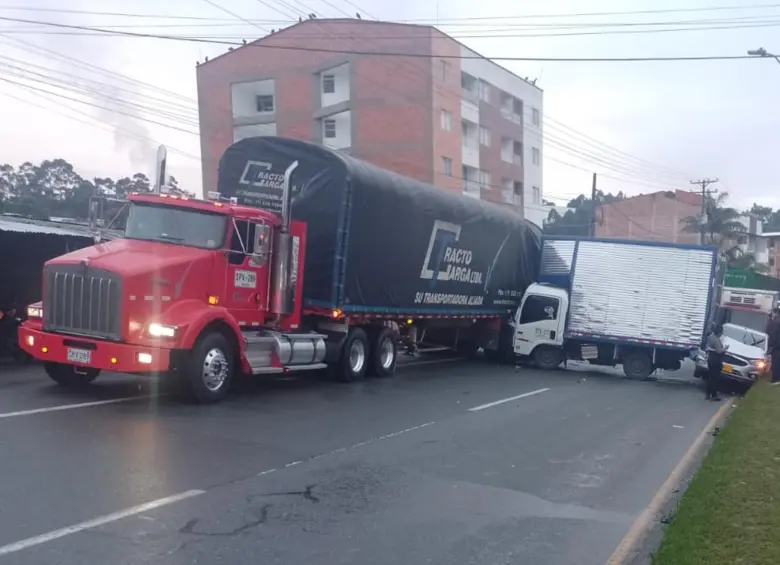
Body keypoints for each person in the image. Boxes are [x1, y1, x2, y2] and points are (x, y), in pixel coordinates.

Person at [705, 324, 728, 401]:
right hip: (716, 360)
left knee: (710, 377)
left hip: (710, 359)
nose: (722, 333)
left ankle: (708, 394)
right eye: (721, 332)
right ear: (719, 332)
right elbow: (719, 351)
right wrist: (725, 348)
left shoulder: (710, 337)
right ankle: (714, 395)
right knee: (715, 378)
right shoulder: (716, 339)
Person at [767, 308, 780, 384]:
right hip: (778, 346)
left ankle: (775, 379)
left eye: (773, 313)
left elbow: (772, 335)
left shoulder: (776, 323)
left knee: (775, 362)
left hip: (776, 346)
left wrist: (770, 345)